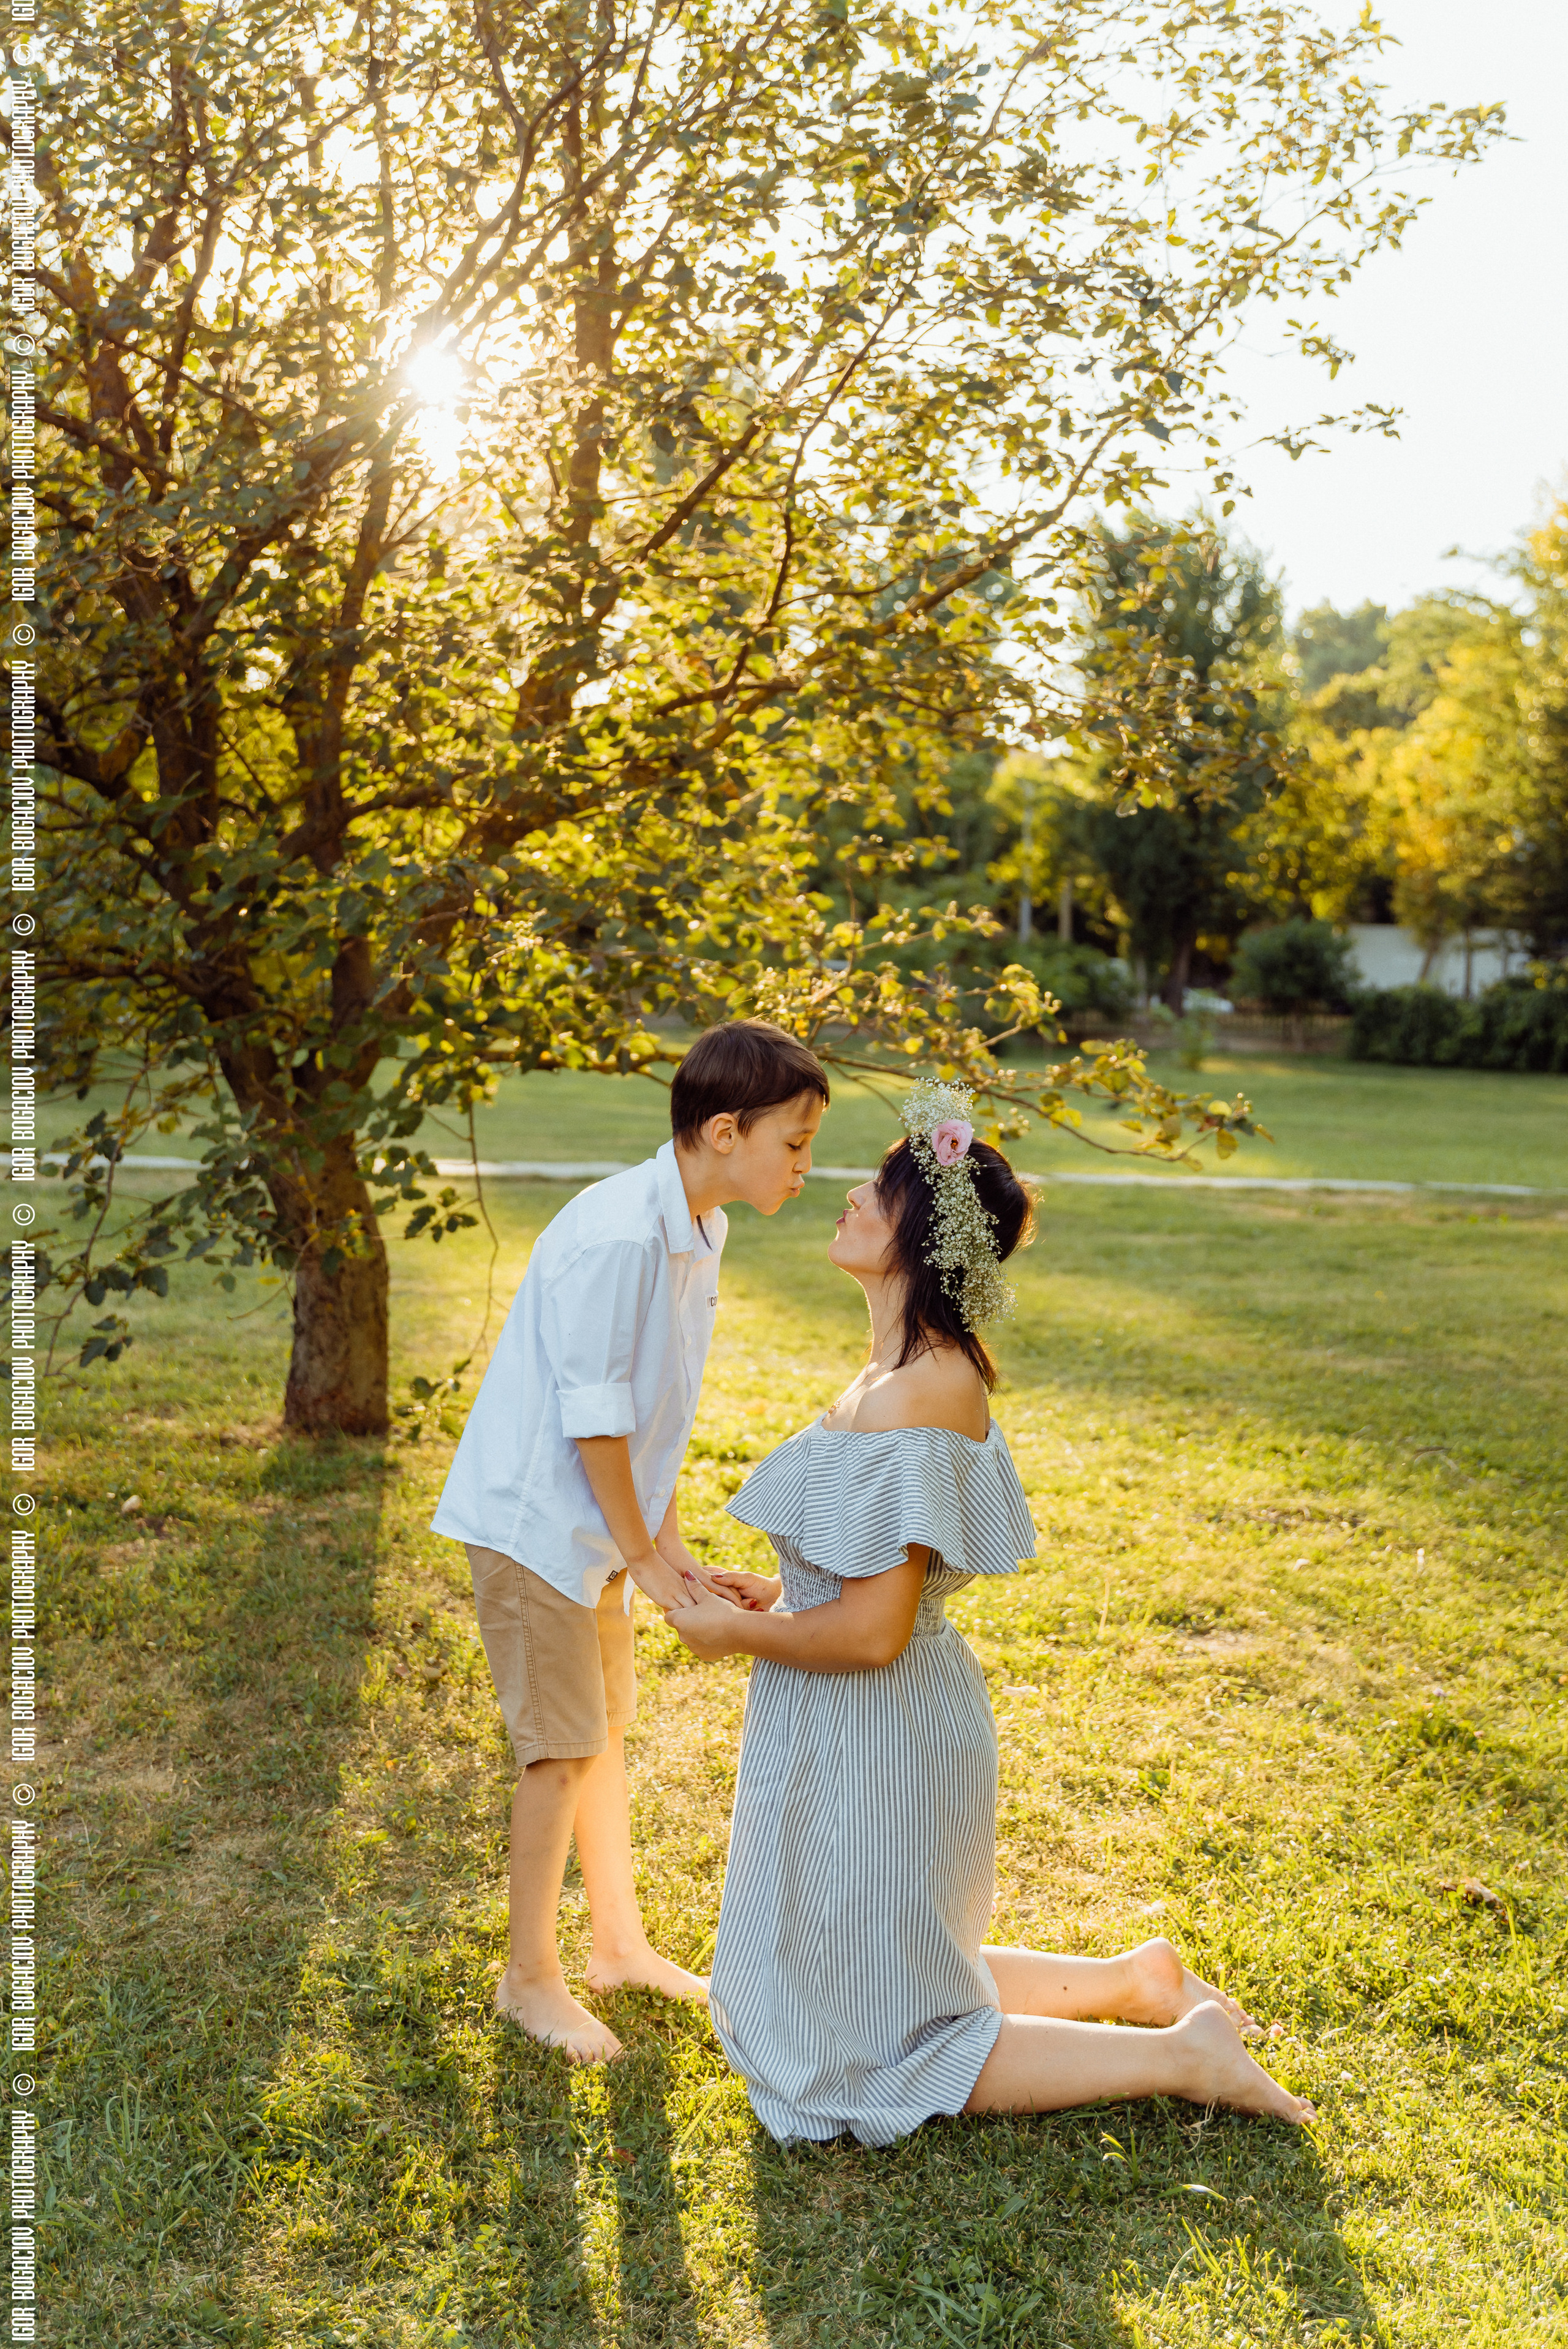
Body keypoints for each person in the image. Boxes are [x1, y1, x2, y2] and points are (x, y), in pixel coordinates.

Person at [668, 1081, 1314, 2141]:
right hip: (845, 1724)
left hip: (882, 1730)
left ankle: (1180, 2056)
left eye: (874, 1193)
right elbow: (867, 1585)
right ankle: (1132, 1977)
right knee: (875, 1971)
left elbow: (878, 1634)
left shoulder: (927, 1388)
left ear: (919, 1236)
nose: (846, 1201)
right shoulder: (886, 1372)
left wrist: (732, 1631)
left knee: (877, 2037)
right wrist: (782, 1595)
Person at [432, 1020, 829, 2063]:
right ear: (725, 1130)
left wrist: (669, 1547)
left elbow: (651, 1416)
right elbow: (594, 1422)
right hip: (538, 1530)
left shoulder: (699, 1226)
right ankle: (530, 1978)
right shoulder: (619, 1235)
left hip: (599, 1523)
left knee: (601, 1734)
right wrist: (646, 1564)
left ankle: (619, 1949)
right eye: (793, 1144)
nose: (804, 1165)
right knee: (560, 1750)